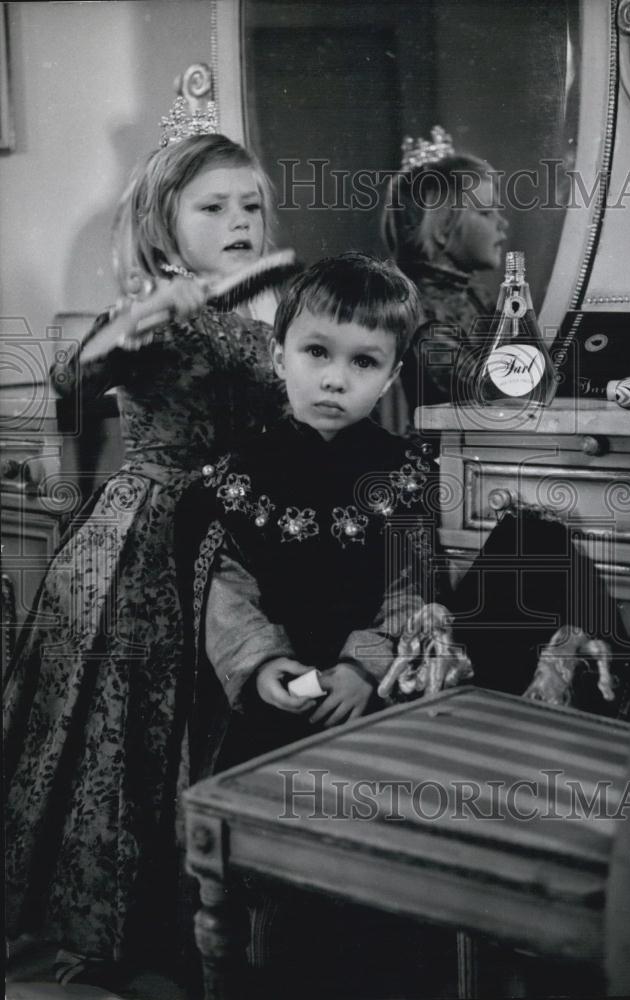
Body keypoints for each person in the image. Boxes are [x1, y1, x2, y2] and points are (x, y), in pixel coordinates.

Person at [3, 125, 288, 986]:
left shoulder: (265, 303)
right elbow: (72, 380)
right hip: (147, 536)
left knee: (211, 724)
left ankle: (207, 926)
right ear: (166, 222)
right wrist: (127, 326)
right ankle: (122, 936)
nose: (239, 218)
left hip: (241, 528)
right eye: (213, 207)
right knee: (125, 731)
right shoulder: (160, 307)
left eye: (250, 205)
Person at [178, 251, 437, 773]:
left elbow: (411, 584)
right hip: (272, 693)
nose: (335, 379)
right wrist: (261, 663)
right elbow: (225, 587)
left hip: (369, 693)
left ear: (390, 378)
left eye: (364, 362)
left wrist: (365, 666)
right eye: (316, 352)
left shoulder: (403, 473)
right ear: (279, 357)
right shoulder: (237, 474)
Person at [381, 126, 508, 414]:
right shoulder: (425, 319)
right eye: (487, 212)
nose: (503, 223)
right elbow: (488, 395)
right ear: (441, 227)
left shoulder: (476, 294)